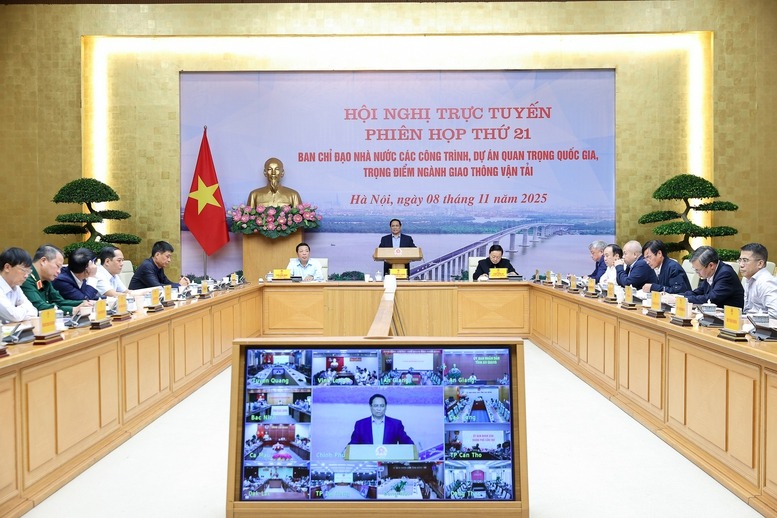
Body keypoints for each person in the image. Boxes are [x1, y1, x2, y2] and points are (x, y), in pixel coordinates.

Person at [20, 245, 92, 315]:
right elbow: (40, 307)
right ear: (43, 261)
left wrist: (85, 303)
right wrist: (72, 310)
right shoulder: (26, 278)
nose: (59, 271)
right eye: (58, 266)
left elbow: (60, 301)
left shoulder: (45, 279)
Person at [672, 246, 744, 308]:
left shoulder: (725, 274)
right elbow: (699, 291)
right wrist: (677, 296)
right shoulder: (711, 272)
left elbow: (711, 298)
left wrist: (683, 299)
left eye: (698, 270)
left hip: (730, 317)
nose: (697, 273)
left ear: (711, 265)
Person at [349, 394, 413, 445]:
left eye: (382, 406)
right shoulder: (360, 424)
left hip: (389, 457)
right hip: (367, 457)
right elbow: (353, 444)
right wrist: (346, 450)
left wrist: (414, 450)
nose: (379, 409)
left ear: (386, 407)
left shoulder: (396, 424)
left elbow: (407, 442)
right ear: (370, 407)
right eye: (376, 406)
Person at [739, 243, 777, 318]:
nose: (741, 265)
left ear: (760, 263)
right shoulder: (749, 278)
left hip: (761, 325)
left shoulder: (765, 282)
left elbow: (775, 314)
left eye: (745, 260)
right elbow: (747, 310)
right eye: (740, 260)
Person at [0, 247, 38, 322]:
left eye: (28, 272)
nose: (26, 275)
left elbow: (34, 311)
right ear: (7, 267)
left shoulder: (15, 287)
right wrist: (24, 309)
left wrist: (19, 312)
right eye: (23, 270)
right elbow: (14, 316)